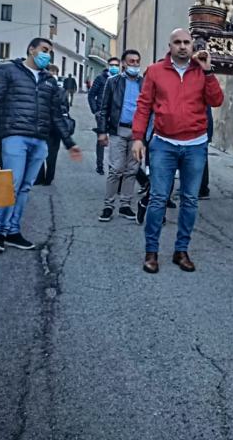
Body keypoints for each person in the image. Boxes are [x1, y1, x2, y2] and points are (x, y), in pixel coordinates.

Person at [132, 29, 224, 274]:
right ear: (169, 46)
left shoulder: (201, 71)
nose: (183, 46)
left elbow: (216, 101)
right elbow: (143, 106)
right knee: (158, 198)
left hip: (195, 145)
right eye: (177, 43)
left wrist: (208, 71)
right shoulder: (155, 71)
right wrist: (138, 138)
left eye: (186, 42)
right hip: (163, 143)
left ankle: (181, 251)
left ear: (192, 45)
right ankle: (151, 252)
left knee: (190, 200)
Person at [0, 37, 81, 253]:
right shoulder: (8, 70)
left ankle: (13, 231)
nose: (47, 54)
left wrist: (69, 142)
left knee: (26, 187)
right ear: (31, 49)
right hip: (15, 135)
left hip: (40, 140)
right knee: (12, 184)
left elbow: (56, 114)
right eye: (44, 50)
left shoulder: (49, 80)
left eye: (50, 52)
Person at [97, 50, 143, 222]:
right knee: (116, 169)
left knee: (132, 169)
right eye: (131, 61)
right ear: (124, 63)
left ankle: (125, 205)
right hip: (118, 130)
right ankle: (108, 206)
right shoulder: (113, 82)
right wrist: (102, 132)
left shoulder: (144, 83)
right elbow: (104, 109)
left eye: (137, 61)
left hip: (137, 133)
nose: (134, 64)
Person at [35, 63, 73, 186]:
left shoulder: (60, 91)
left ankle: (48, 178)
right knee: (39, 152)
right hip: (42, 126)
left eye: (54, 72)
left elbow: (65, 108)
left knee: (51, 154)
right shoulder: (41, 87)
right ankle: (40, 177)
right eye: (49, 71)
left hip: (54, 128)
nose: (51, 74)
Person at [88, 56, 120, 174]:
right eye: (112, 65)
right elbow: (91, 95)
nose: (114, 67)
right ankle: (99, 165)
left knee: (116, 141)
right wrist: (95, 110)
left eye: (117, 65)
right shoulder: (100, 79)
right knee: (101, 139)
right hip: (102, 114)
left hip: (116, 115)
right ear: (108, 66)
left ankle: (113, 167)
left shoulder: (120, 79)